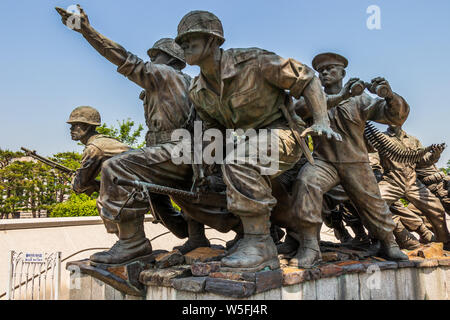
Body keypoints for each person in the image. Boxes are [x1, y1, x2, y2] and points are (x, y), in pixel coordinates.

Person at [56, 5, 236, 265]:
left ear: (167, 59)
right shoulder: (190, 82)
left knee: (117, 168)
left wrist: (86, 30)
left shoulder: (163, 75)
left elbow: (122, 58)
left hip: (176, 150)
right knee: (165, 193)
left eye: (155, 56)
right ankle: (196, 237)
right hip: (192, 155)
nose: (150, 61)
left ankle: (132, 243)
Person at [174, 11, 341, 272]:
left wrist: (321, 120)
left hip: (283, 133)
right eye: (181, 43)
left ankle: (259, 243)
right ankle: (254, 233)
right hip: (248, 140)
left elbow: (306, 78)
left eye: (190, 41)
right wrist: (204, 162)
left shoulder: (254, 61)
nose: (184, 47)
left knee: (240, 161)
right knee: (214, 173)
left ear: (212, 40)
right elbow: (213, 128)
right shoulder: (198, 90)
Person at [292, 52, 411, 268]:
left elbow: (394, 117)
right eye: (322, 71)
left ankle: (389, 242)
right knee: (306, 182)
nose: (325, 73)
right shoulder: (313, 97)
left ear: (343, 73)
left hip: (356, 163)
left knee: (373, 203)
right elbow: (298, 110)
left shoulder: (361, 99)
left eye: (331, 69)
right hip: (324, 162)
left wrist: (390, 96)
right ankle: (309, 246)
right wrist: (340, 97)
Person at [375, 125, 449, 250]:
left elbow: (422, 161)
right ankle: (381, 241)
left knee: (436, 208)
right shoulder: (380, 138)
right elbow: (373, 160)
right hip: (392, 181)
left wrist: (434, 155)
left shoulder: (412, 139)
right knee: (375, 203)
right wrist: (376, 174)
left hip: (413, 182)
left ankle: (445, 242)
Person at [68, 106, 130, 197]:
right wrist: (93, 184)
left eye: (75, 125)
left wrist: (74, 179)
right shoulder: (104, 141)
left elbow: (80, 185)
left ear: (87, 126)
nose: (71, 129)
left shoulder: (94, 148)